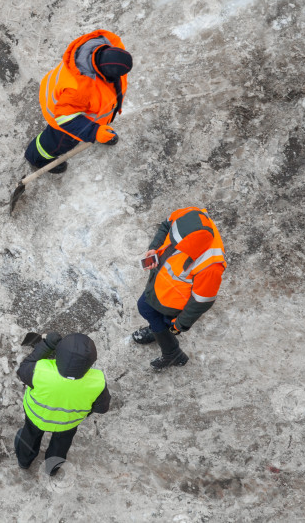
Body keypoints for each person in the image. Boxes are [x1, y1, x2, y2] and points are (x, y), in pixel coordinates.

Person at [25, 29, 133, 174]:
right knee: (59, 142)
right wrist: (94, 132)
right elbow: (65, 119)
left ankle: (101, 132)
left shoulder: (109, 45)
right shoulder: (81, 90)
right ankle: (37, 157)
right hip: (63, 114)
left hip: (71, 101)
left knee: (91, 126)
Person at [132, 207, 227, 369]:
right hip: (158, 285)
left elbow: (201, 301)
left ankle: (172, 354)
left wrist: (180, 325)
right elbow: (166, 225)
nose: (172, 245)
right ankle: (159, 332)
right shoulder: (191, 213)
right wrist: (154, 247)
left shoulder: (211, 267)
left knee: (163, 322)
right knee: (146, 309)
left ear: (192, 245)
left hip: (174, 304)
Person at [14, 332, 110, 475]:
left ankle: (24, 461)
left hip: (37, 416)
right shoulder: (97, 382)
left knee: (29, 437)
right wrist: (84, 410)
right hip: (67, 423)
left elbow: (23, 369)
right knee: (60, 445)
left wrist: (46, 345)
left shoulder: (40, 370)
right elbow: (102, 408)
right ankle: (52, 469)